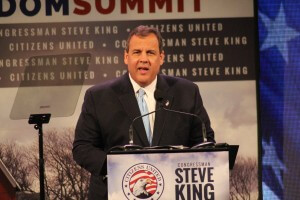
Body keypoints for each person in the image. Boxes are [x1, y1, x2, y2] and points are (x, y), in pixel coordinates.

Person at [72, 25, 215, 199]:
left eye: (150, 53)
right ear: (126, 56)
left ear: (161, 57)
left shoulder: (186, 92)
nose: (143, 59)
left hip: (173, 192)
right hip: (115, 192)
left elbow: (205, 143)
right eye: (137, 52)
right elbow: (83, 147)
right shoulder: (98, 96)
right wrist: (117, 167)